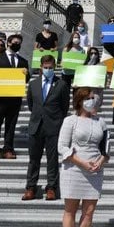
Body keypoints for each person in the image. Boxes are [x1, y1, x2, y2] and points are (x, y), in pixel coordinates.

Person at [58, 87, 110, 227]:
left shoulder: (100, 122)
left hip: (94, 170)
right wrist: (80, 162)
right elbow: (62, 147)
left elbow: (107, 148)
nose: (92, 101)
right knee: (70, 210)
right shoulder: (70, 121)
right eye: (88, 98)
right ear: (80, 101)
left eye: (93, 98)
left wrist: (101, 161)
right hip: (74, 168)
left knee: (88, 212)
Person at [23, 54, 70, 201]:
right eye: (45, 67)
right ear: (41, 68)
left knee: (52, 159)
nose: (48, 69)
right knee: (33, 159)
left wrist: (56, 120)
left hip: (53, 126)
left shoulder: (61, 84)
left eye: (50, 67)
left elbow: (65, 106)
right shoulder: (33, 84)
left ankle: (52, 188)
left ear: (54, 67)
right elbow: (31, 105)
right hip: (36, 126)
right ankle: (31, 187)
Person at [0, 34, 30, 159]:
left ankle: (8, 148)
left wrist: (26, 74)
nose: (17, 44)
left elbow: (26, 80)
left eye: (19, 43)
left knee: (11, 125)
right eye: (15, 42)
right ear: (9, 43)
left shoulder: (23, 61)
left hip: (14, 98)